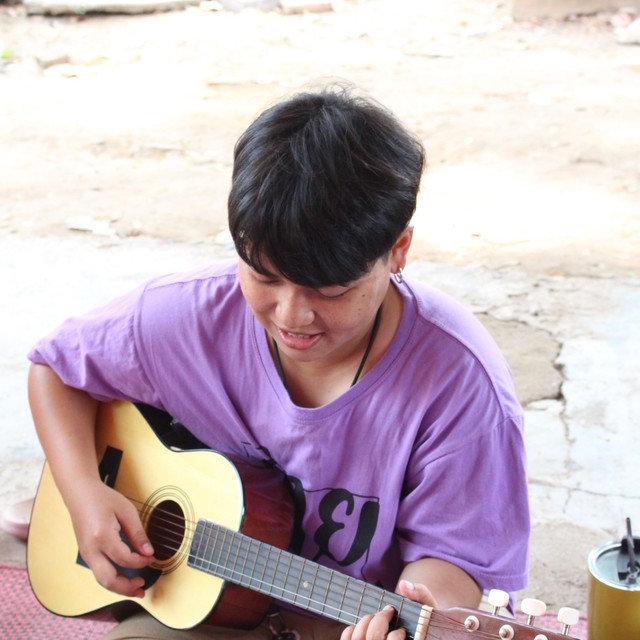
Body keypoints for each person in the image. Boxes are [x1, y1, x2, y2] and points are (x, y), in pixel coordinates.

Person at [26, 84, 530, 640]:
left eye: (330, 290)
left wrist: (419, 613)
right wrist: (83, 492)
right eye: (263, 276)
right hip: (206, 611)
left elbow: (457, 564)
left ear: (398, 251)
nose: (291, 315)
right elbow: (55, 369)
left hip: (344, 625)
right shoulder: (189, 316)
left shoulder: (461, 384)